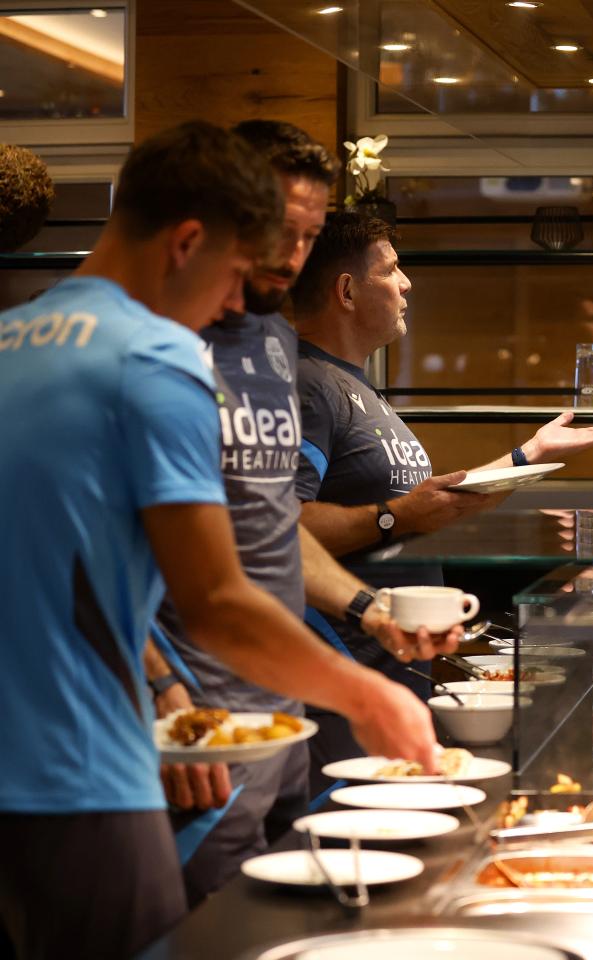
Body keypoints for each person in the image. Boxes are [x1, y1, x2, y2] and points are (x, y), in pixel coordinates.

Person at [0, 122, 439, 960]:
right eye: (236, 272)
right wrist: (370, 696)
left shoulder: (14, 338)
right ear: (190, 239)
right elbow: (217, 603)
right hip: (87, 767)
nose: (236, 304)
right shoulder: (158, 355)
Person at [142, 120, 462, 907]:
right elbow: (81, 551)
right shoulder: (152, 344)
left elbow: (268, 519)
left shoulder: (271, 347)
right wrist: (163, 696)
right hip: (195, 719)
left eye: (309, 235)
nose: (291, 255)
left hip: (281, 714)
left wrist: (369, 606)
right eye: (280, 230)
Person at [289, 212, 593, 781]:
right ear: (346, 291)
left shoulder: (357, 388)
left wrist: (530, 455)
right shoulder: (307, 384)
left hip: (397, 669)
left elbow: (432, 503)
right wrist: (393, 518)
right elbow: (282, 524)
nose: (407, 283)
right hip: (343, 678)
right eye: (392, 269)